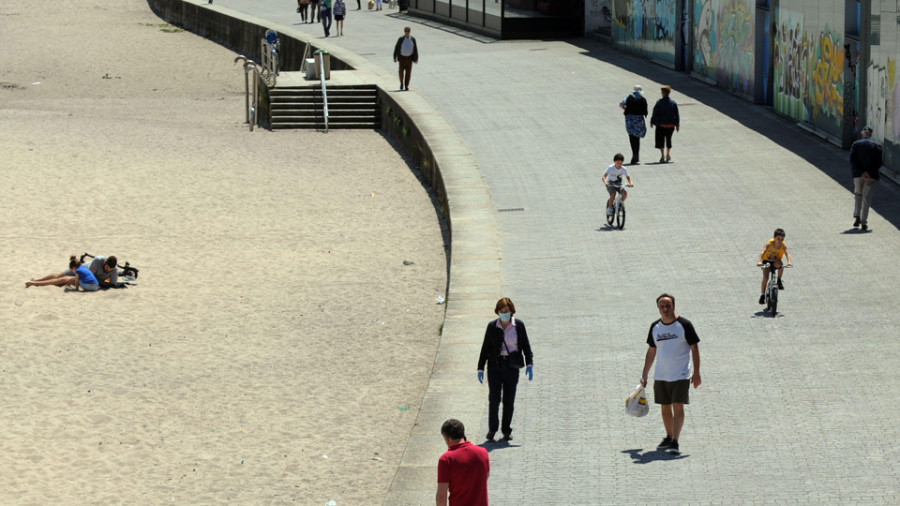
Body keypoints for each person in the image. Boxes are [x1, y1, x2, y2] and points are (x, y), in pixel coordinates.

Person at [640, 293, 701, 455]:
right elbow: (652, 350)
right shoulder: (655, 327)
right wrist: (645, 374)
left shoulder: (684, 325)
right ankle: (669, 436)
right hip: (661, 375)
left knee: (678, 405)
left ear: (673, 306)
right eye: (662, 306)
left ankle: (675, 441)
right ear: (658, 308)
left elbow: (694, 348)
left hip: (680, 374)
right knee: (665, 407)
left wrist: (697, 372)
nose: (665, 309)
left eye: (668, 306)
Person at [477, 297, 534, 441]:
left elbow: (526, 346)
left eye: (506, 311)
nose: (504, 314)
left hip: (511, 366)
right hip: (495, 366)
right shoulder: (492, 326)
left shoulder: (518, 326)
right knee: (494, 398)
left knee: (509, 399)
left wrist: (529, 363)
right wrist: (480, 368)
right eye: (501, 311)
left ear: (511, 311)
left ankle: (506, 430)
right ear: (497, 312)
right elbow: (485, 348)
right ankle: (492, 429)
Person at [436, 419, 489, 506]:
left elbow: (441, 496)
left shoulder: (446, 460)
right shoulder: (483, 453)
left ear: (446, 437)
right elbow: (484, 478)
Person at [850, 125, 883, 231]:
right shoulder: (876, 145)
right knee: (866, 199)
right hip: (870, 176)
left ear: (862, 133)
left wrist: (861, 172)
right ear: (871, 134)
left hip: (857, 175)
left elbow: (852, 160)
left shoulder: (855, 144)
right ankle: (864, 222)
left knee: (858, 195)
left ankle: (857, 216)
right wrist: (868, 172)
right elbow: (879, 162)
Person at [756, 228, 792, 303]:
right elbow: (762, 252)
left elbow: (787, 254)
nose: (780, 241)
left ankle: (779, 280)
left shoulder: (783, 245)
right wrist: (759, 261)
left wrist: (789, 262)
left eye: (782, 239)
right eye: (778, 239)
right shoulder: (769, 244)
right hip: (767, 261)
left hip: (776, 261)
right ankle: (762, 295)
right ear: (774, 237)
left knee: (781, 266)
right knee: (765, 277)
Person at [26, 255, 100, 292]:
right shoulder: (82, 267)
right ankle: (37, 280)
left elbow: (77, 281)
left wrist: (76, 288)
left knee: (63, 279)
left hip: (84, 278)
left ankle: (36, 282)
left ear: (73, 268)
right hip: (89, 279)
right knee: (60, 277)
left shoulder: (78, 269)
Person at [650, 85, 680, 163]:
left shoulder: (659, 102)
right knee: (669, 139)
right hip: (671, 125)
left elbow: (655, 112)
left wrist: (652, 121)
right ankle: (668, 154)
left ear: (663, 93)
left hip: (661, 124)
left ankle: (662, 155)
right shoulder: (673, 103)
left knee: (661, 140)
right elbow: (677, 114)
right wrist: (677, 125)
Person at [619, 84, 648, 165]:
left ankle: (634, 155)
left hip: (630, 119)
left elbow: (621, 104)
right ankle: (636, 155)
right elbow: (645, 110)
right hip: (639, 120)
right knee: (637, 138)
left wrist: (626, 109)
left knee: (632, 137)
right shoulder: (643, 99)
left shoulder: (628, 98)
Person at [393, 27, 419, 91]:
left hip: (409, 59)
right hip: (402, 58)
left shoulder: (412, 39)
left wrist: (416, 58)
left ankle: (406, 85)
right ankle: (401, 83)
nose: (407, 32)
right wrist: (395, 57)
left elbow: (415, 48)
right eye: (406, 31)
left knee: (408, 73)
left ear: (410, 32)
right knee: (401, 72)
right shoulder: (401, 39)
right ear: (404, 32)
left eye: (408, 31)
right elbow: (397, 47)